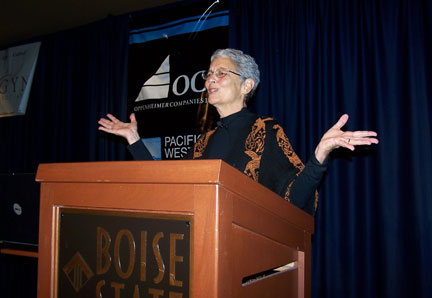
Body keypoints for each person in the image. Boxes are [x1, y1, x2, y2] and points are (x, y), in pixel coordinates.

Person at [98, 48, 378, 215]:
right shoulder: (202, 143)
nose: (210, 79)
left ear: (247, 86)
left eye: (221, 73)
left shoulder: (265, 130)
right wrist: (134, 140)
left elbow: (291, 199)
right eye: (209, 74)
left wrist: (319, 157)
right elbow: (169, 189)